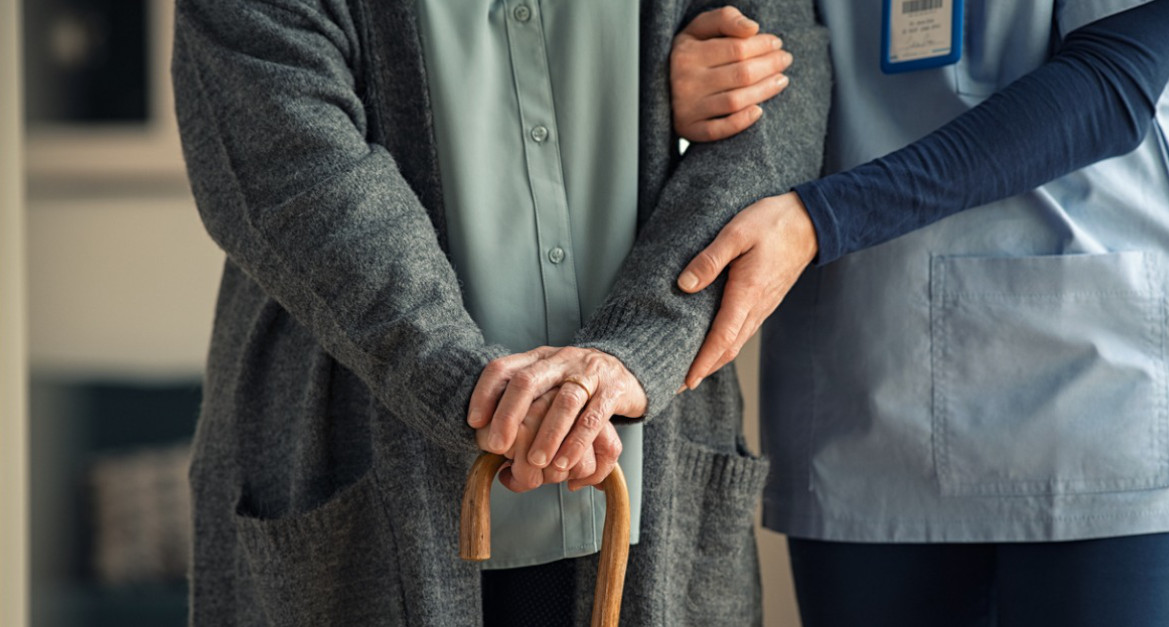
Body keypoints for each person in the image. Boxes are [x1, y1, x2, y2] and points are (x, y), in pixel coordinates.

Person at [171, 0, 827, 624]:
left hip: (648, 478)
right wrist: (485, 393)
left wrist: (637, 349)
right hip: (361, 475)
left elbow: (778, 104)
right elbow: (296, 170)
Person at [667, 1, 1169, 625]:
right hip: (863, 392)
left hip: (1093, 397)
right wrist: (680, 87)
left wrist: (826, 218)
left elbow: (1114, 82)